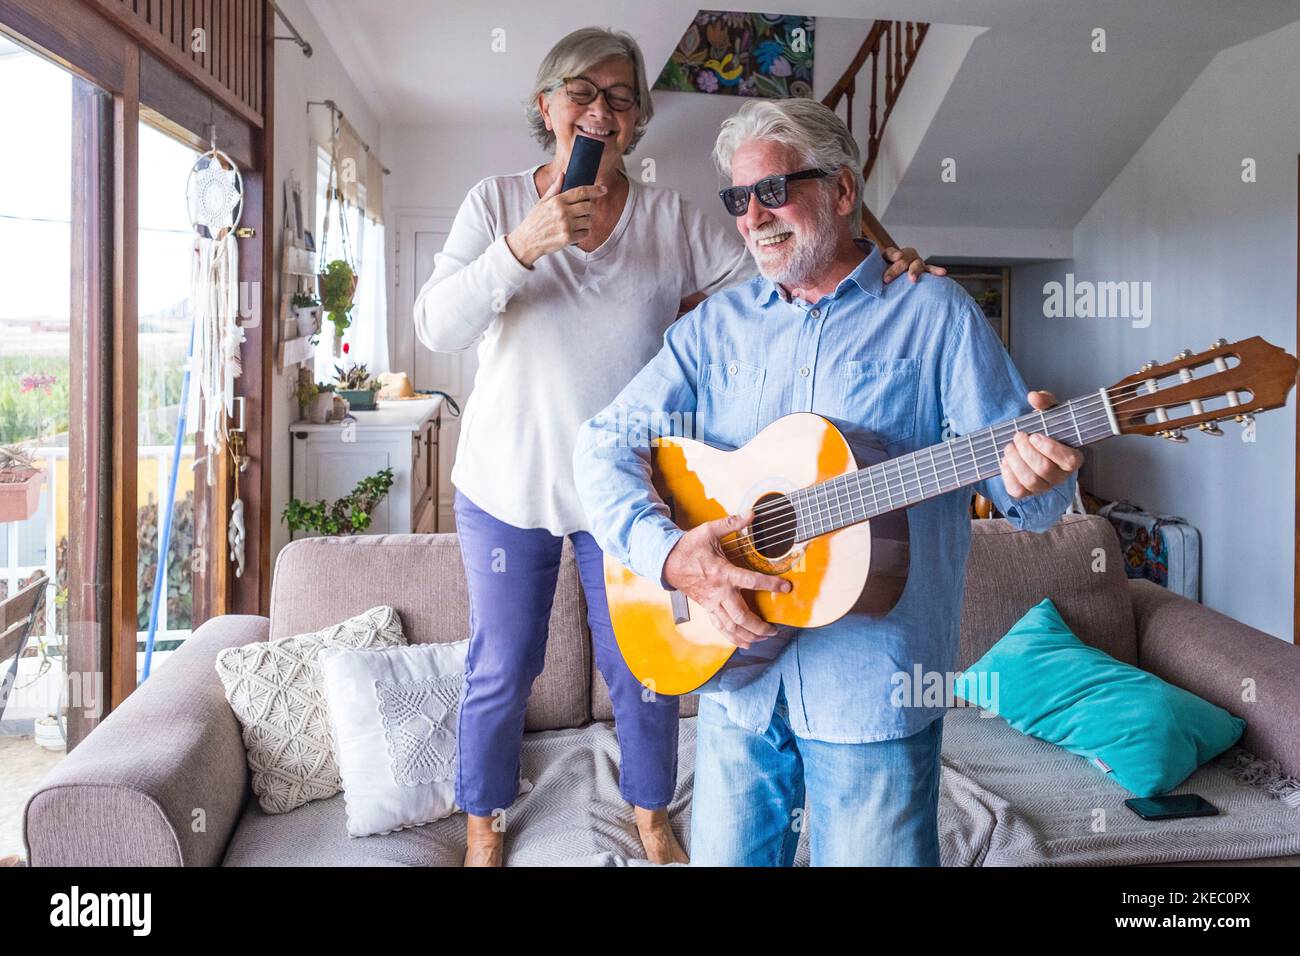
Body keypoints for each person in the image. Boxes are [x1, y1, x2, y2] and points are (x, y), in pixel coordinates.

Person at [416, 27, 937, 866]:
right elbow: (438, 325)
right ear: (545, 107)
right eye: (581, 92)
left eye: (620, 97)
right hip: (505, 484)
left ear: (637, 123)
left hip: (630, 495)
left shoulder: (669, 216)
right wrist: (524, 245)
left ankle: (650, 812)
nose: (599, 109)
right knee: (502, 667)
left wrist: (877, 265)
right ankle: (484, 824)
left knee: (650, 667)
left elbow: (777, 283)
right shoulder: (495, 202)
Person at [572, 97, 1082, 866]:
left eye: (774, 190)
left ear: (843, 192)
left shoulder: (935, 315)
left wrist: (1042, 472)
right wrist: (671, 556)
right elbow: (603, 441)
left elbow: (1034, 507)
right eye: (738, 200)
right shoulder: (715, 328)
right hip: (736, 691)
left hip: (872, 696)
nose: (754, 217)